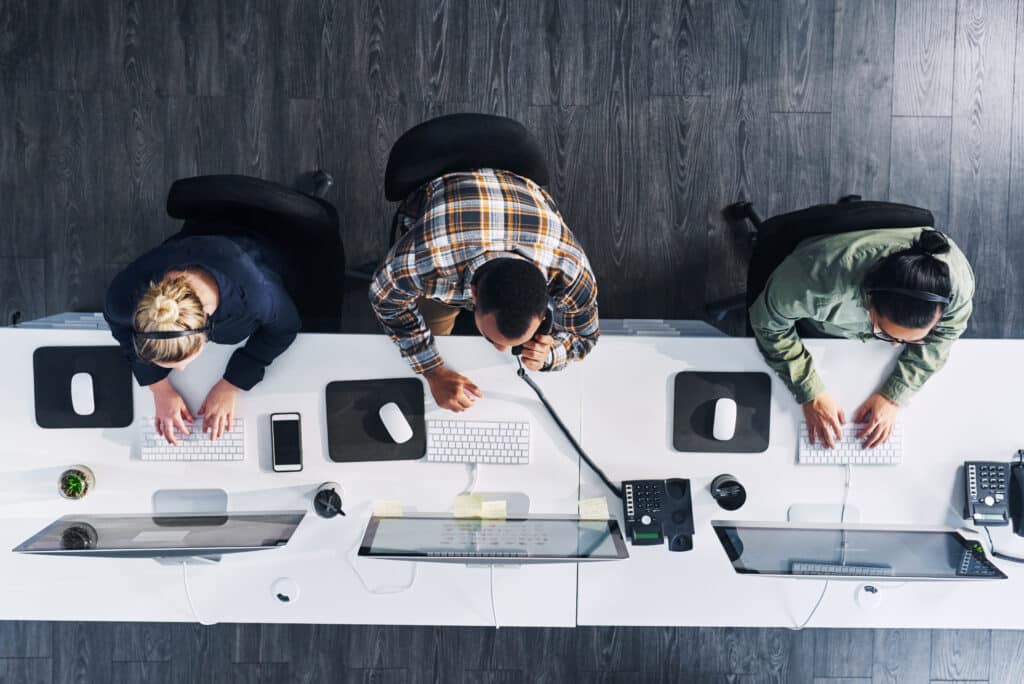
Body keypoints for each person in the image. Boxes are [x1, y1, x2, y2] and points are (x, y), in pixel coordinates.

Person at [370, 168, 599, 412]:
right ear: (474, 293)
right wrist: (433, 372)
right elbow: (385, 299)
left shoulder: (570, 271)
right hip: (445, 199)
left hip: (519, 199)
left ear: (546, 311)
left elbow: (585, 336)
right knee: (430, 335)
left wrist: (551, 354)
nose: (502, 350)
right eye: (491, 339)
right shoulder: (426, 259)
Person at [749, 228, 974, 448]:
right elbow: (769, 325)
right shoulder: (813, 282)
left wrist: (893, 395)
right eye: (885, 333)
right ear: (869, 300)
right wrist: (810, 391)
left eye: (913, 339)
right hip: (817, 319)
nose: (894, 345)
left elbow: (946, 334)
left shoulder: (957, 287)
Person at [105, 233, 301, 444]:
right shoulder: (122, 298)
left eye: (182, 362)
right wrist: (159, 387)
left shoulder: (254, 297)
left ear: (205, 330)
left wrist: (232, 383)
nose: (181, 370)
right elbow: (120, 327)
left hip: (269, 245)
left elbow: (285, 327)